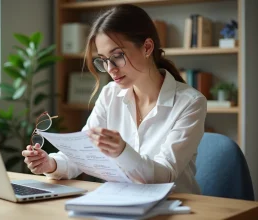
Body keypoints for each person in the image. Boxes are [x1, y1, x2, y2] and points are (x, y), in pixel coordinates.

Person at [22, 4, 207, 194]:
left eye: (117, 56)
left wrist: (122, 152)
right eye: (103, 59)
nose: (110, 69)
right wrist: (50, 164)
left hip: (174, 206)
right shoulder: (110, 94)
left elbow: (165, 174)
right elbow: (85, 152)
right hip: (119, 203)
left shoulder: (190, 103)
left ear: (147, 47)